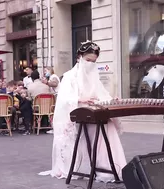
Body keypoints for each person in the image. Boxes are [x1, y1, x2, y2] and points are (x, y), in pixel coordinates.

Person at [39, 41, 126, 182]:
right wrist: (81, 99)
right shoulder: (69, 76)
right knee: (101, 126)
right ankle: (99, 166)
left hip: (92, 112)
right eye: (88, 60)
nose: (91, 64)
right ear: (79, 57)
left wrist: (111, 99)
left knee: (108, 125)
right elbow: (64, 98)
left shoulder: (94, 76)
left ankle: (112, 167)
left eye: (94, 61)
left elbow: (101, 94)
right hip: (78, 113)